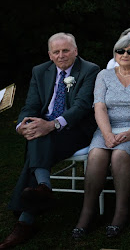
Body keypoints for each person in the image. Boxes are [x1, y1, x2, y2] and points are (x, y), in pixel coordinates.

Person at [1, 33, 99, 249]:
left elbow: (82, 106)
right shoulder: (40, 71)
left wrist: (52, 124)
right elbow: (30, 105)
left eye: (66, 50)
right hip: (45, 127)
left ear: (75, 50)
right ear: (50, 54)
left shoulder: (90, 70)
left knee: (39, 137)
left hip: (76, 128)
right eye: (56, 51)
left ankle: (27, 214)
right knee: (37, 133)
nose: (61, 55)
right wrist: (21, 126)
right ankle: (40, 193)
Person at [72, 30, 130, 239]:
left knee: (120, 154)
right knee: (96, 155)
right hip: (107, 127)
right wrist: (107, 133)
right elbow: (99, 107)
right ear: (115, 54)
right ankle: (88, 212)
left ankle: (121, 212)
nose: (125, 54)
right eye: (120, 51)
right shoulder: (104, 75)